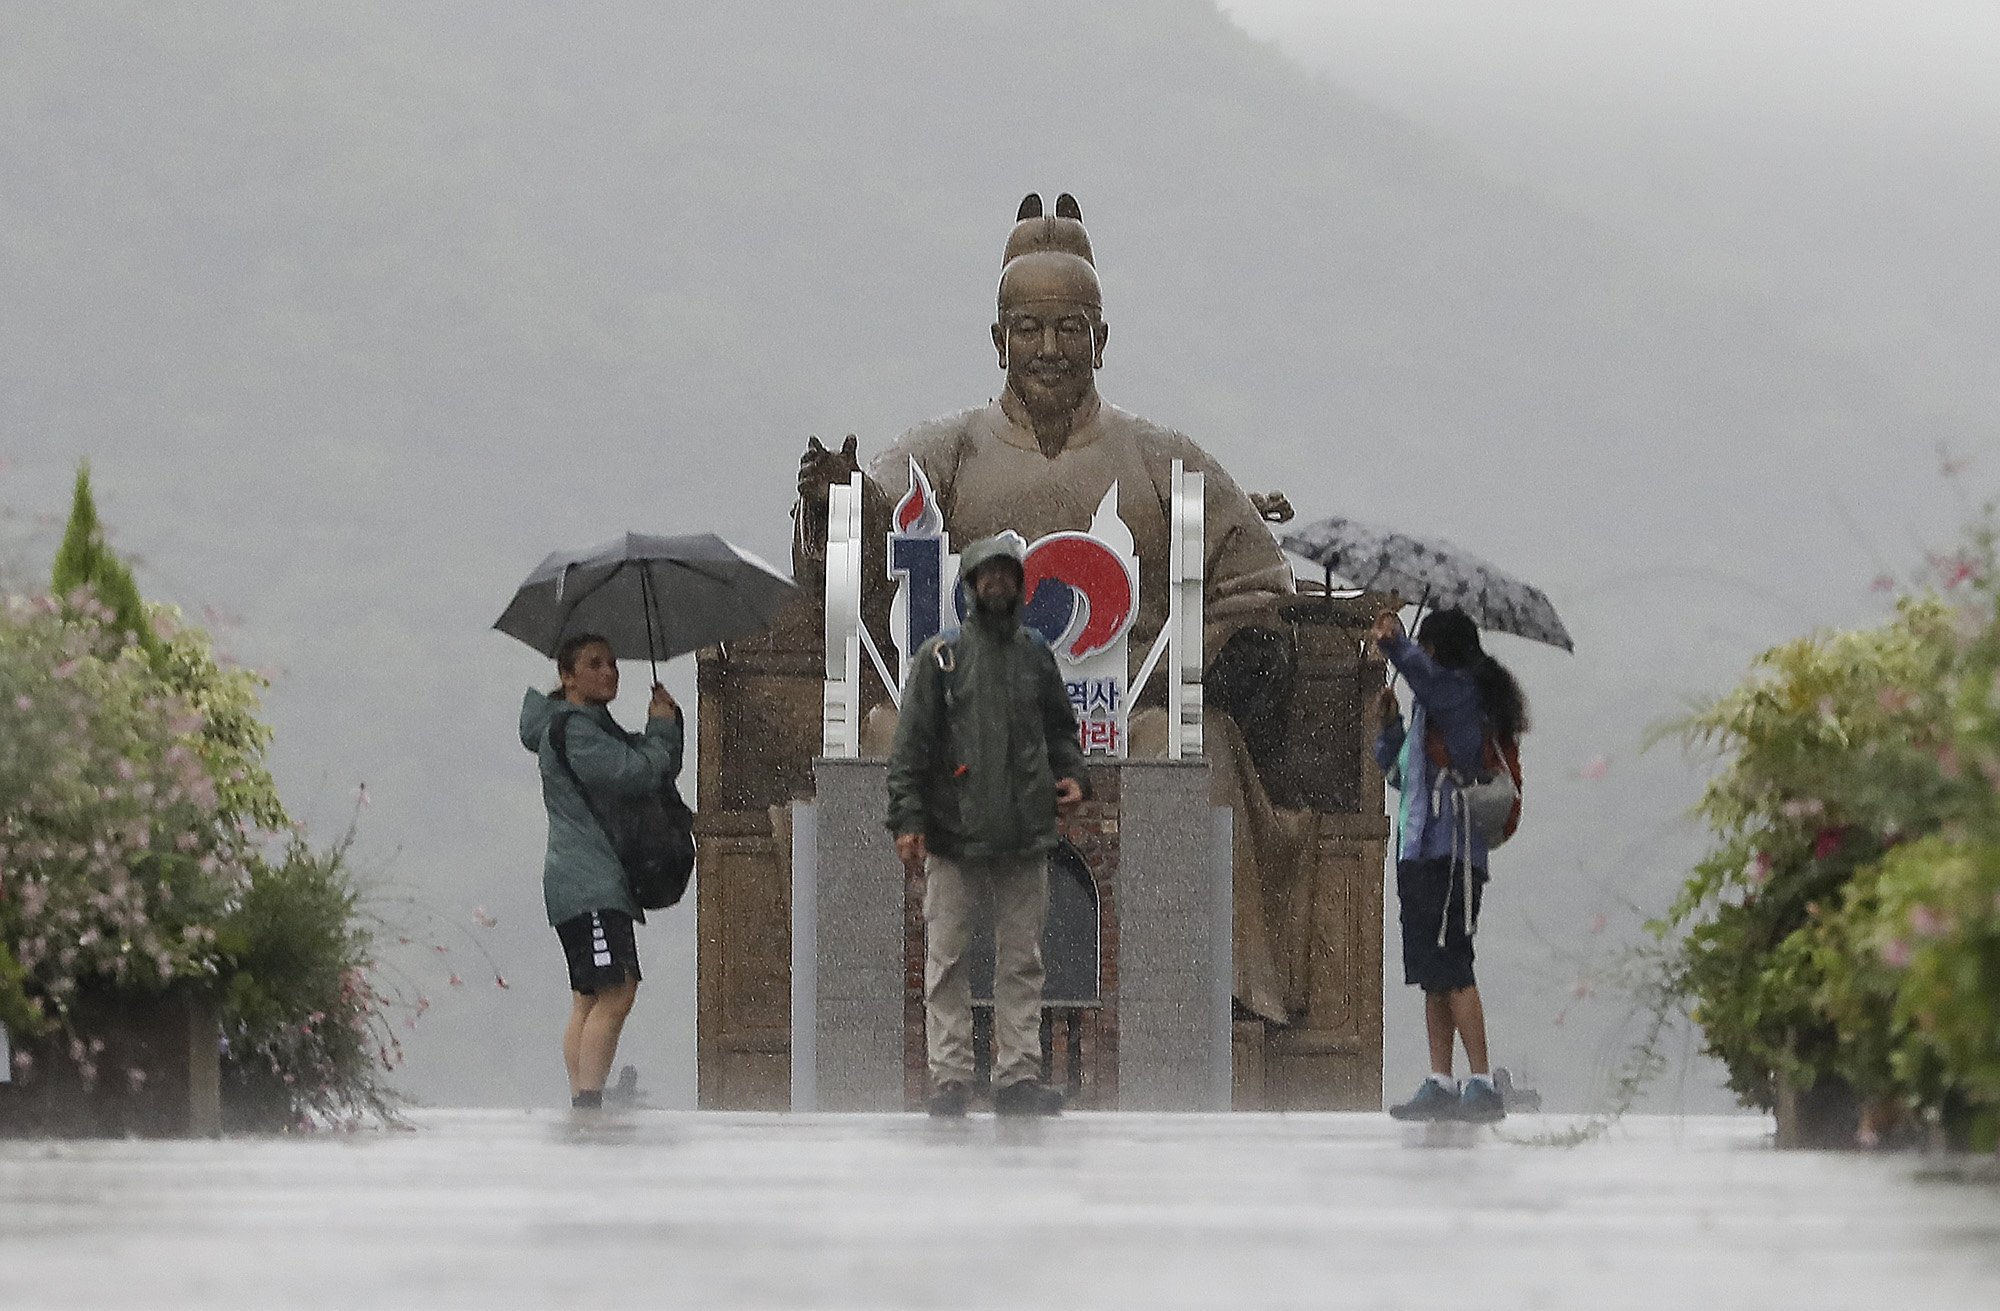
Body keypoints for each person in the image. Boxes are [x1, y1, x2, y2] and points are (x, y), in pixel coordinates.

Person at [796, 193, 1309, 1026]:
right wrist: (833, 506)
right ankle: (858, 999)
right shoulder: (944, 449)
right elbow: (865, 554)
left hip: (1125, 709)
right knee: (873, 736)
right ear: (997, 338)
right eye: (1029, 330)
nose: (1050, 348)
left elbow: (1257, 580)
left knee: (1199, 748)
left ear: (1101, 339)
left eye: (1071, 328)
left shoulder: (1160, 457)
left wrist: (1220, 651)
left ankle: (1206, 1000)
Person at [887, 533, 1089, 1118]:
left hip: (1026, 833)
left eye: (1006, 573)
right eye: (986, 574)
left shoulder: (1035, 657)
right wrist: (908, 819)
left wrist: (1074, 776)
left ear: (1020, 585)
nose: (996, 583)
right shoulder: (940, 659)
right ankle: (950, 1075)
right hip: (953, 833)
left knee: (1022, 960)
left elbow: (1061, 733)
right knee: (946, 961)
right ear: (970, 584)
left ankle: (1017, 1075)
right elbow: (911, 750)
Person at [1370, 606, 1529, 1123]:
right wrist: (1391, 728)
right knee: (1432, 972)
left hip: (1451, 852)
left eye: (1428, 647)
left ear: (1442, 651)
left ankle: (1481, 1082)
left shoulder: (1462, 698)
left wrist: (1395, 645)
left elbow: (1428, 678)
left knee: (1454, 962)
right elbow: (1401, 775)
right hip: (1418, 851)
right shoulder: (1432, 711)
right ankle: (1441, 1080)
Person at [517, 633, 682, 1110]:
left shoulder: (587, 725)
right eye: (594, 664)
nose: (609, 671)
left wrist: (664, 726)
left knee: (590, 998)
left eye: (611, 662)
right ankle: (588, 1101)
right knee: (617, 990)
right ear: (567, 677)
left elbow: (643, 761)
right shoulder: (576, 730)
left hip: (580, 880)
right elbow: (635, 773)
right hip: (589, 882)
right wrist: (661, 731)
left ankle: (584, 1095)